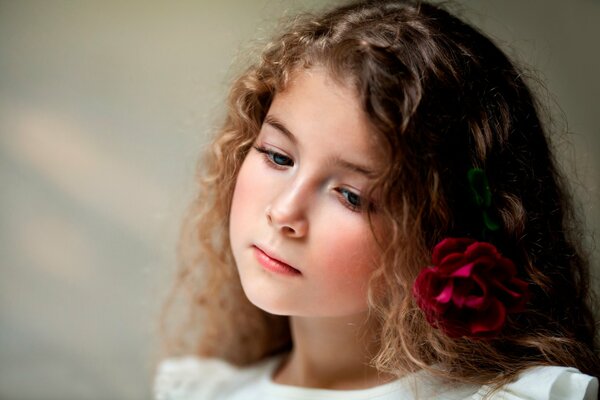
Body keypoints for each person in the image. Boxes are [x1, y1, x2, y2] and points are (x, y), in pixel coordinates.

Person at [153, 0, 600, 399]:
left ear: (441, 234)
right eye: (277, 156)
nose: (284, 212)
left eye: (350, 196)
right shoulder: (203, 391)